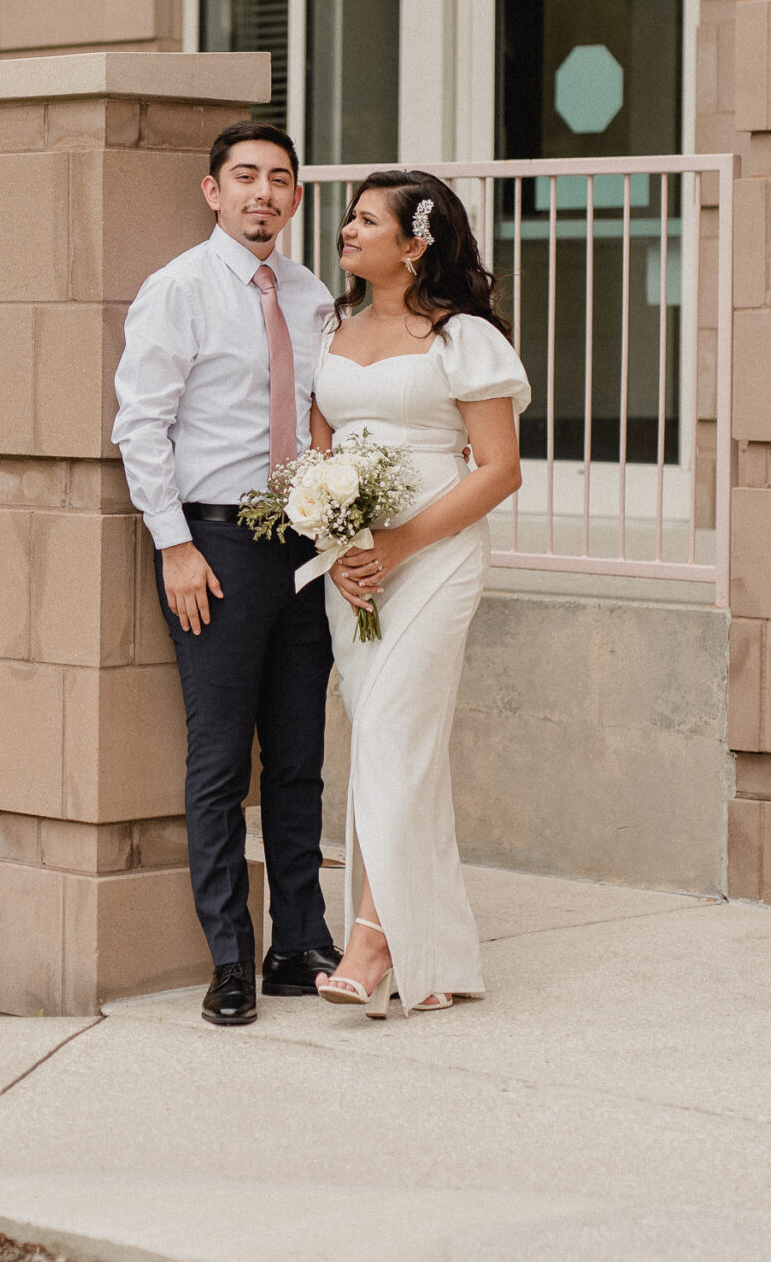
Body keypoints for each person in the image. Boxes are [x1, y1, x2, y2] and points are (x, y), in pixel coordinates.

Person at [110, 121, 343, 1028]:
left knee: (297, 757)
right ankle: (230, 959)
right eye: (245, 176)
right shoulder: (177, 290)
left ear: (294, 197)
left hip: (303, 546)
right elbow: (141, 425)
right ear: (214, 191)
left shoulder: (311, 293)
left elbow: (324, 416)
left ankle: (298, 942)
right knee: (218, 761)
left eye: (279, 179)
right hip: (217, 549)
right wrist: (174, 544)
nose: (264, 192)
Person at [310, 170, 530, 1017]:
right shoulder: (334, 326)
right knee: (388, 744)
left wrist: (399, 544)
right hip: (353, 567)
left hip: (433, 563)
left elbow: (500, 469)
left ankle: (373, 939)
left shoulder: (461, 337)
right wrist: (340, 546)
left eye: (369, 220)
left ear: (415, 244)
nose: (349, 229)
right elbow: (319, 457)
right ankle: (433, 953)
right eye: (351, 216)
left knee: (397, 737)